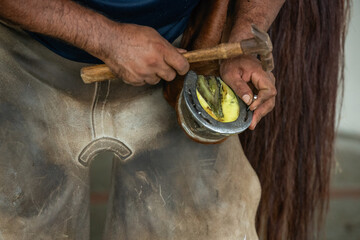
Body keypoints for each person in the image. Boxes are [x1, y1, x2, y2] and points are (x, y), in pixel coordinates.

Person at [0, 0, 349, 239]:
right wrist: (106, 37)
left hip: (182, 52)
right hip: (25, 55)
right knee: (14, 218)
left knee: (217, 222)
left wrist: (241, 37)